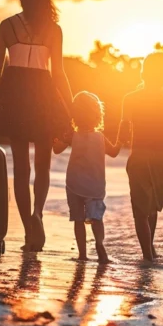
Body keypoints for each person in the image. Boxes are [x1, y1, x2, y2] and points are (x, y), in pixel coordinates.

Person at [0, 0, 73, 252]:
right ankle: (38, 213)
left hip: (14, 94)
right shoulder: (53, 29)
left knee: (21, 168)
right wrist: (70, 107)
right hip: (43, 94)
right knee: (43, 165)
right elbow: (58, 73)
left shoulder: (7, 26)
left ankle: (27, 229)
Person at [118, 53, 163, 262]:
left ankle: (148, 255)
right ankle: (150, 253)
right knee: (152, 206)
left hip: (138, 156)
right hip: (160, 158)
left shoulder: (130, 98)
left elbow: (123, 133)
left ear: (144, 72)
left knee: (140, 210)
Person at [53, 92, 120, 264]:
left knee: (78, 219)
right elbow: (114, 152)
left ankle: (82, 254)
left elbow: (56, 149)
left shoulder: (72, 136)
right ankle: (99, 245)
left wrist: (57, 136)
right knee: (96, 218)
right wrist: (122, 139)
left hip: (74, 183)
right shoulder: (100, 137)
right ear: (97, 114)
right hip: (94, 184)